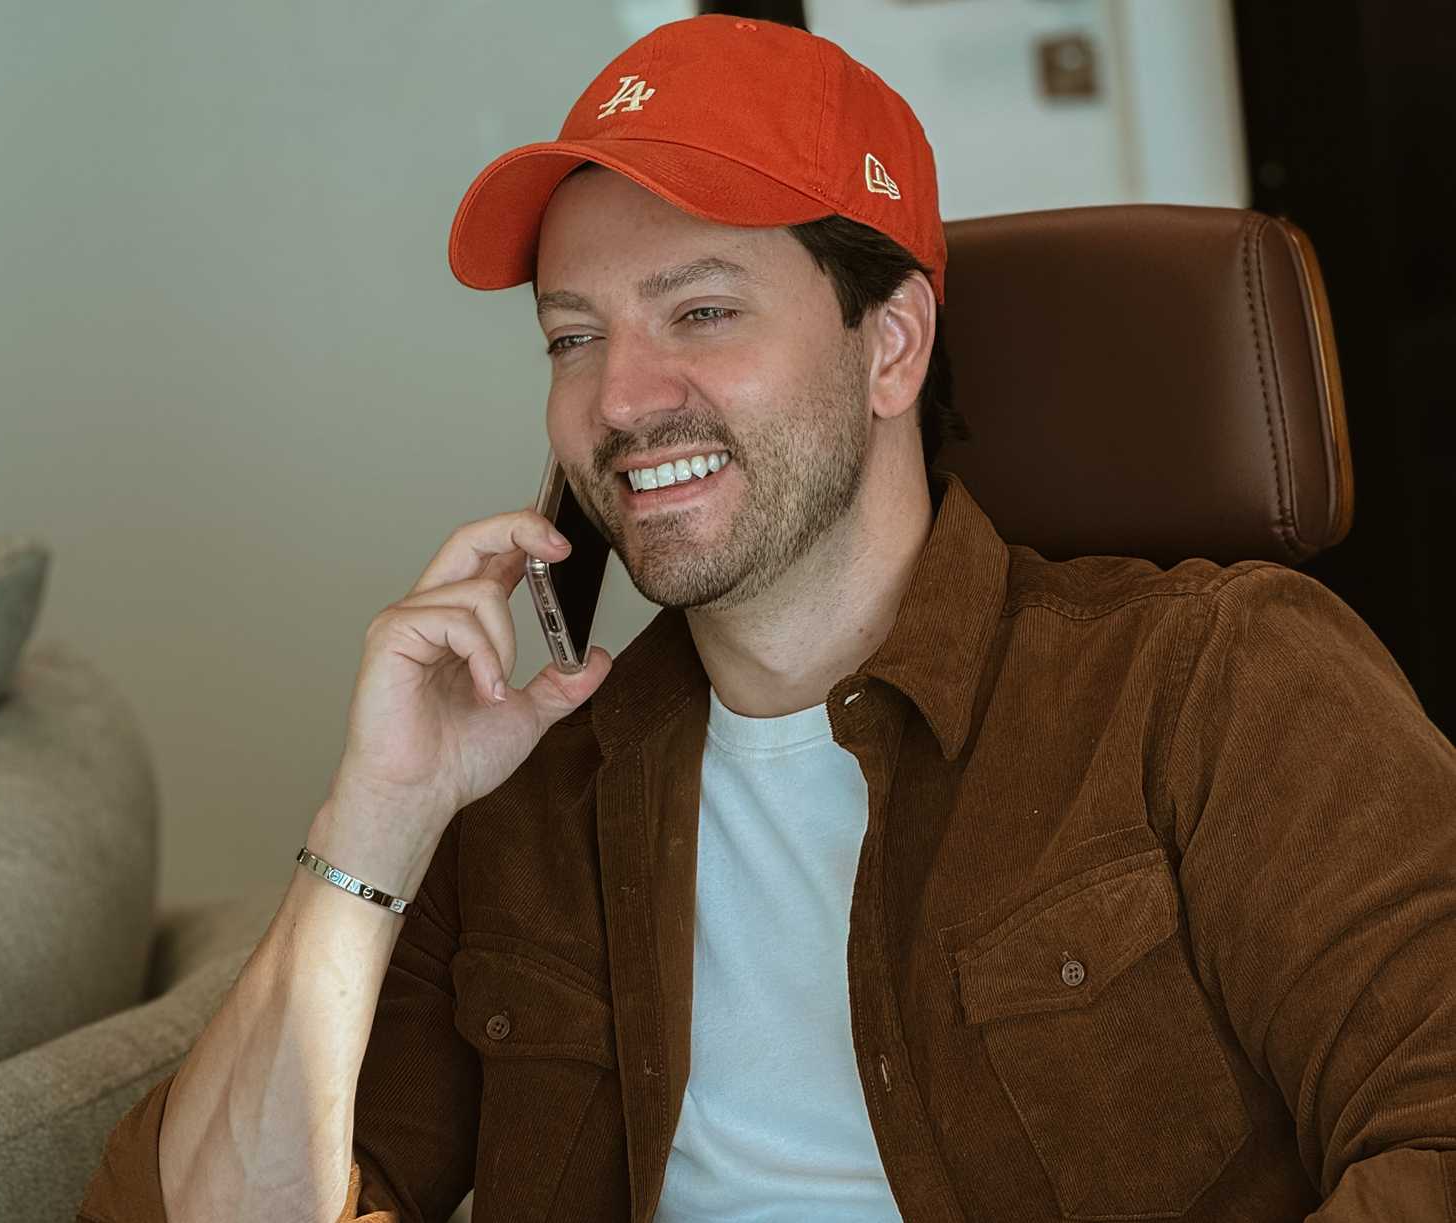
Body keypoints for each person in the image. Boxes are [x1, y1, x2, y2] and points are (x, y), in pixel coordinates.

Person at [78, 15, 1456, 1223]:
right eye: (573, 336)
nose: (621, 399)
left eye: (701, 310)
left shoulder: (1213, 683)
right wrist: (379, 813)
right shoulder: (521, 802)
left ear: (891, 345)